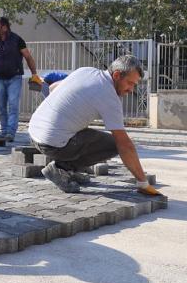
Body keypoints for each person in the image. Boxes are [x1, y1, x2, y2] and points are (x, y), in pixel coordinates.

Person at [27, 55, 162, 196]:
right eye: (129, 83)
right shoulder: (109, 97)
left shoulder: (86, 71)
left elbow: (53, 87)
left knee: (88, 134)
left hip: (33, 132)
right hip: (51, 144)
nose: (131, 89)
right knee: (114, 144)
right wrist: (142, 182)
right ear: (116, 75)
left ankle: (69, 170)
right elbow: (124, 144)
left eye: (134, 84)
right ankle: (61, 169)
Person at [0, 17, 42, 142]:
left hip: (14, 78)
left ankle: (10, 132)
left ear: (4, 27)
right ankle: (4, 131)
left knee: (13, 105)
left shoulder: (17, 40)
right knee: (0, 107)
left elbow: (28, 57)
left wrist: (34, 74)